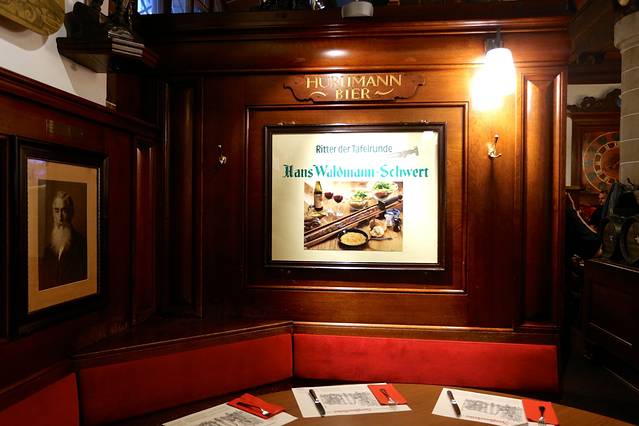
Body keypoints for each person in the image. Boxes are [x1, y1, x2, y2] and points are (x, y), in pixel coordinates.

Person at [38, 191, 87, 290]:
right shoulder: (48, 250)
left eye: (64, 211)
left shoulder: (82, 244)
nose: (60, 217)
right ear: (53, 213)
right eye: (56, 211)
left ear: (71, 213)